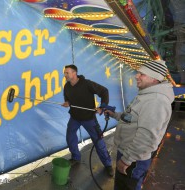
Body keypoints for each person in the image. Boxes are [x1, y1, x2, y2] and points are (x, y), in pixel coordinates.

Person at [105, 60, 174, 190]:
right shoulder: (146, 96)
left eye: (142, 74)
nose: (136, 76)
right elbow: (130, 118)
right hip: (128, 154)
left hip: (134, 159)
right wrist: (114, 114)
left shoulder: (156, 101)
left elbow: (147, 138)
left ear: (154, 79)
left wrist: (126, 160)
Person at [62, 64, 114, 177]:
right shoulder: (66, 87)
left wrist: (102, 107)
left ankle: (108, 164)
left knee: (98, 141)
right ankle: (75, 157)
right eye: (65, 72)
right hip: (74, 117)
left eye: (67, 72)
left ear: (74, 73)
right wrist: (68, 103)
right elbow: (68, 99)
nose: (65, 74)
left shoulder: (87, 84)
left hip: (89, 118)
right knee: (70, 136)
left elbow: (104, 91)